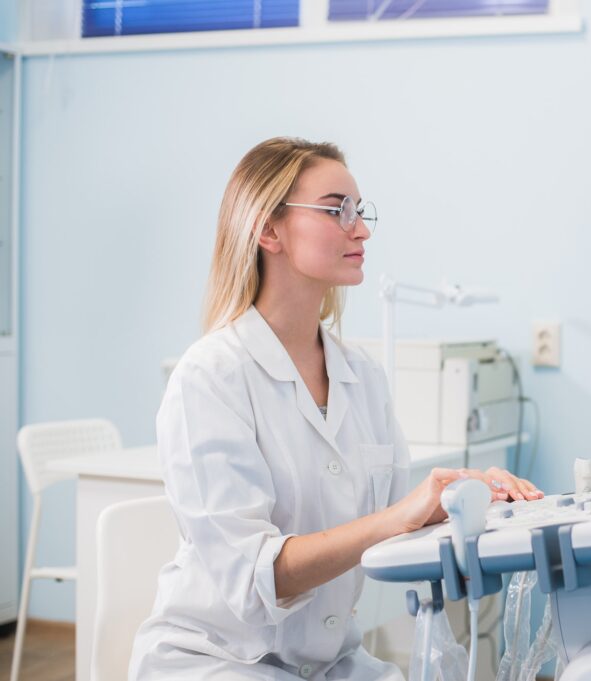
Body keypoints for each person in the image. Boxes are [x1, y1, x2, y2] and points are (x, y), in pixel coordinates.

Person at [129, 137, 542, 680]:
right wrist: (399, 515)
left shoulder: (361, 377)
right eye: (336, 210)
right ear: (268, 229)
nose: (362, 229)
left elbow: (401, 528)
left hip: (330, 664)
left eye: (360, 211)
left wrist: (469, 500)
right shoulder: (210, 378)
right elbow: (257, 581)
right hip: (218, 663)